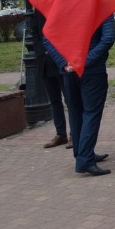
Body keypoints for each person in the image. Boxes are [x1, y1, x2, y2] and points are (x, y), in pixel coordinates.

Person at [44, 16, 115, 176]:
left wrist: (64, 63)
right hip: (91, 71)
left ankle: (83, 153)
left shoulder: (66, 6)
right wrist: (82, 62)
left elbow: (47, 37)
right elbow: (108, 38)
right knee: (90, 114)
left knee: (76, 113)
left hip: (70, 71)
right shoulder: (101, 6)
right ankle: (85, 159)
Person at [32, 8, 71, 150]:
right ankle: (61, 134)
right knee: (54, 101)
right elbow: (35, 32)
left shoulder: (60, 6)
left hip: (61, 61)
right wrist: (40, 51)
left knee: (70, 100)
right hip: (45, 62)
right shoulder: (38, 9)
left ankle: (74, 134)